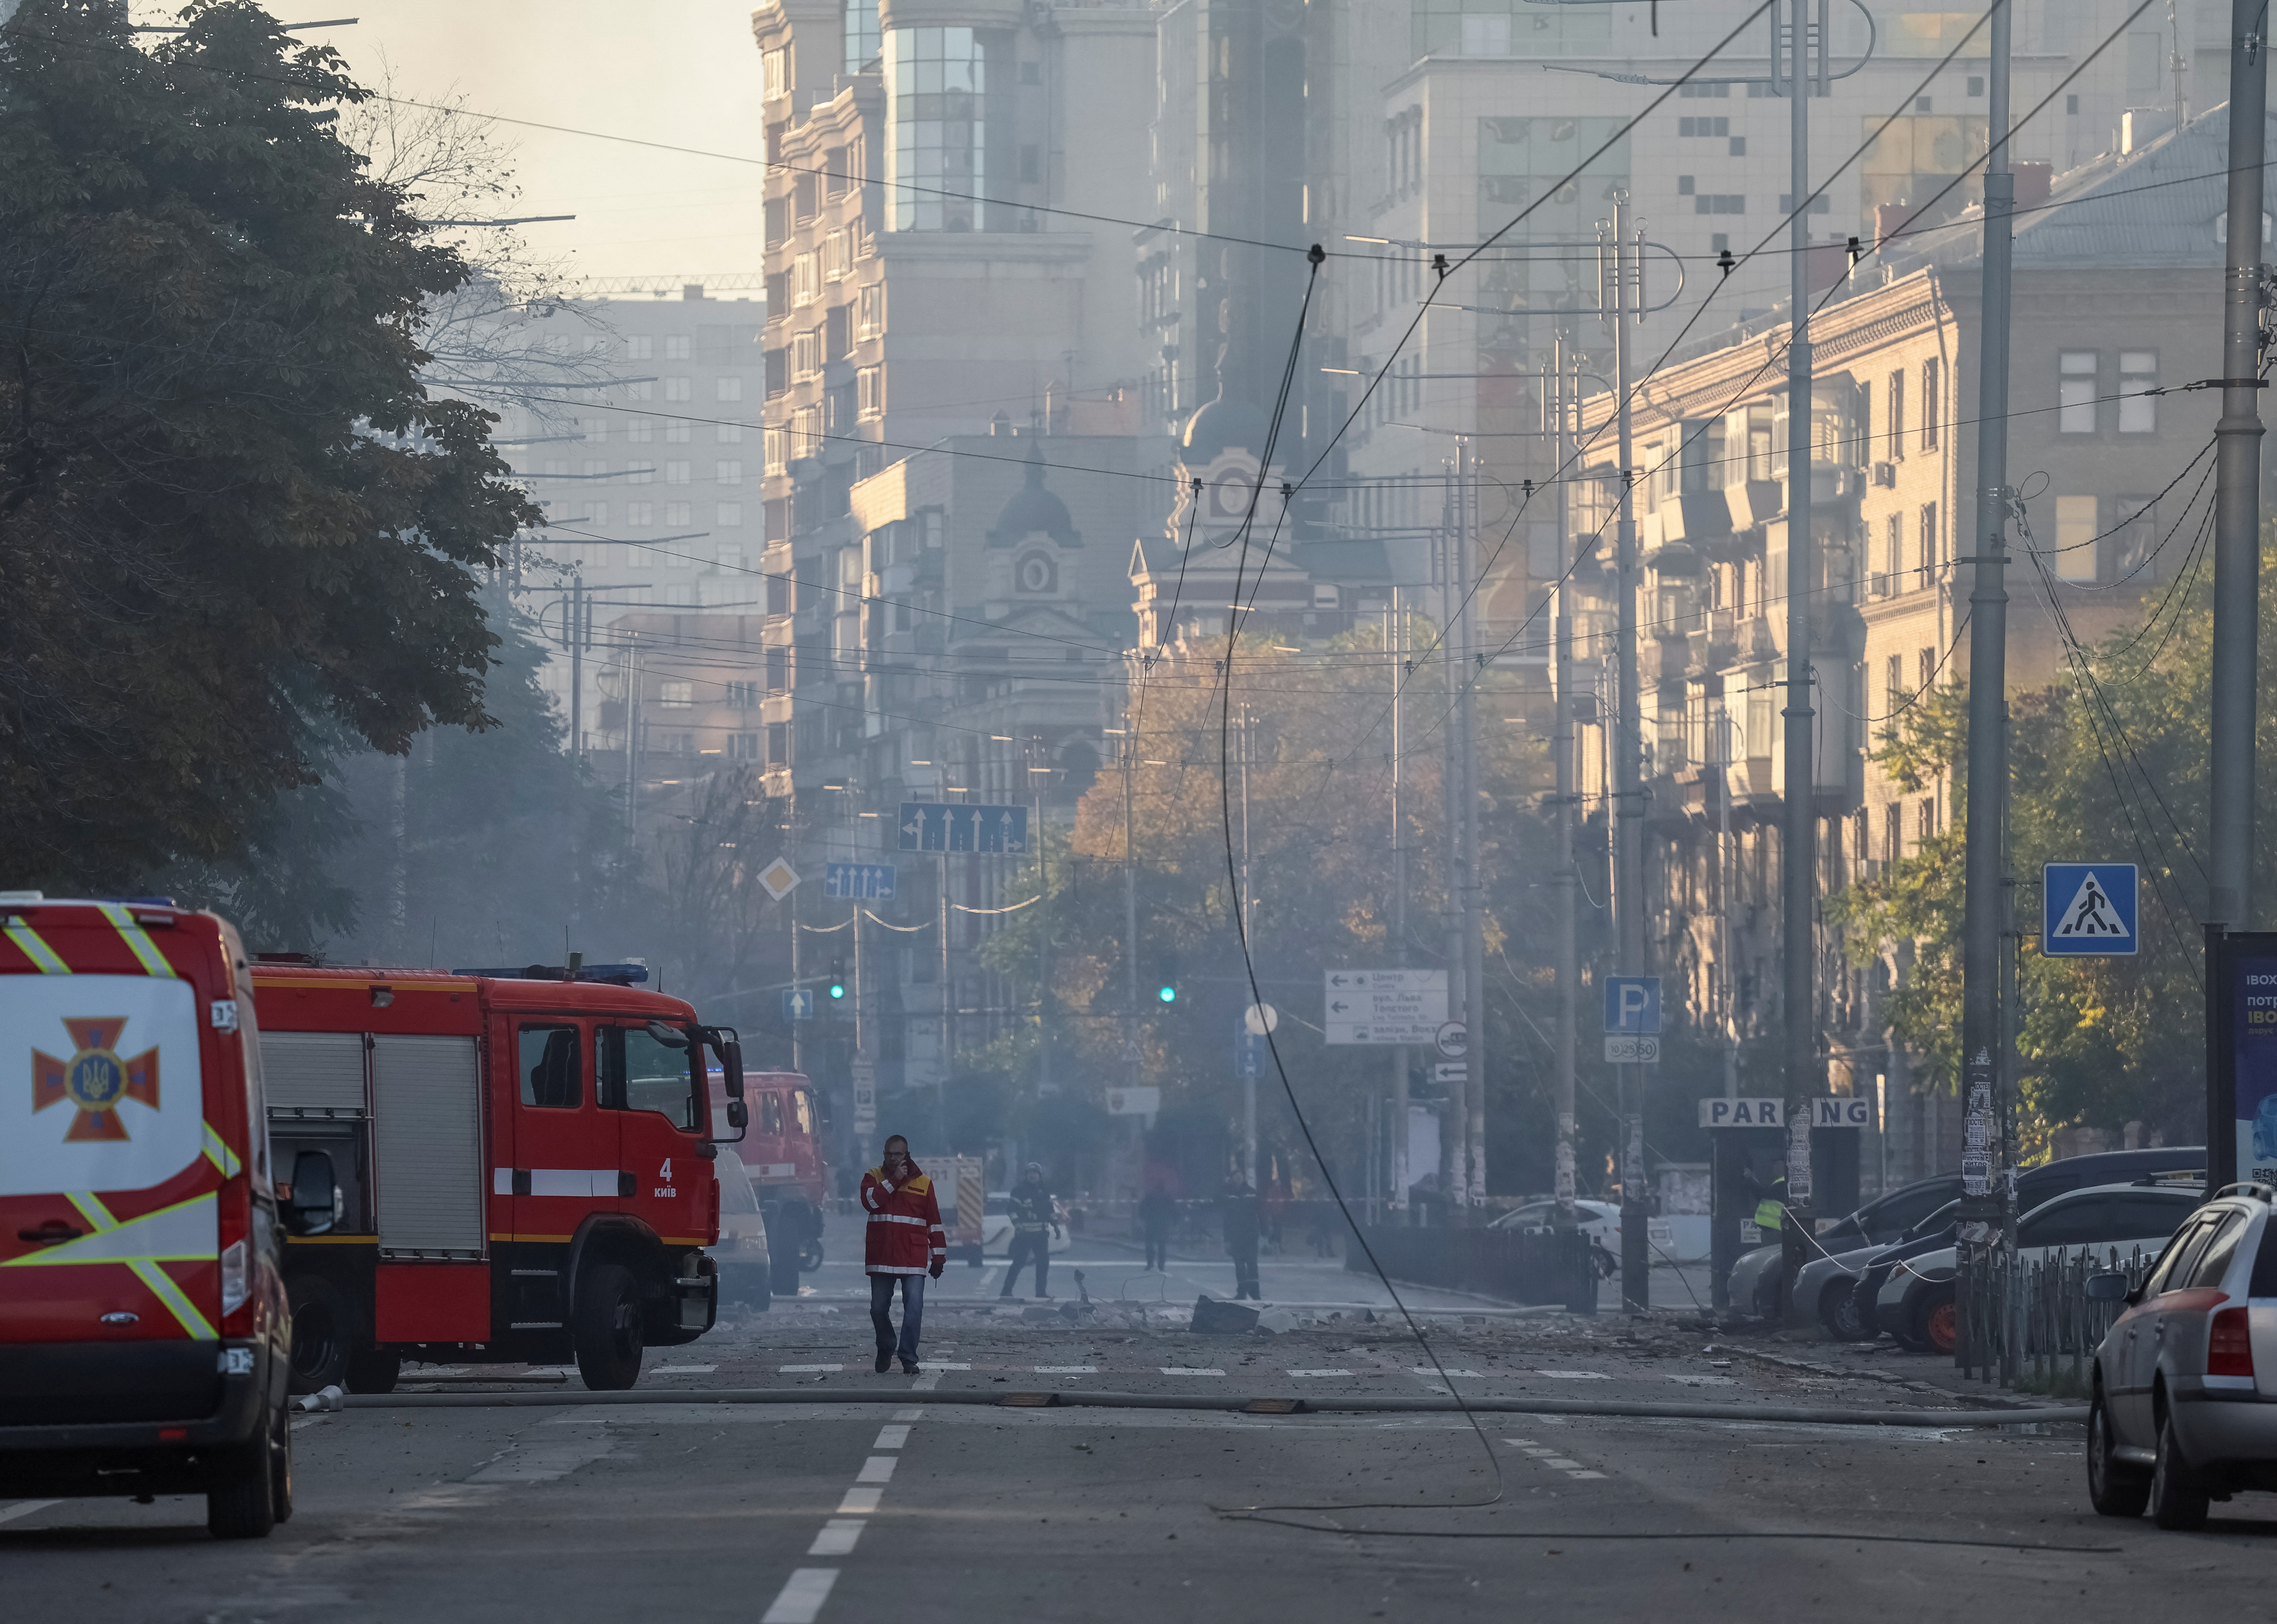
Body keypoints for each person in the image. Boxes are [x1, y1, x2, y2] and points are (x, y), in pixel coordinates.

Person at [860, 1135, 944, 1374]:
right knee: (878, 1309)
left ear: (907, 1155)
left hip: (912, 1256)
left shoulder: (924, 1183)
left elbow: (934, 1224)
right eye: (889, 1154)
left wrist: (938, 1258)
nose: (893, 1158)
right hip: (882, 1255)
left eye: (898, 1154)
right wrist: (894, 1181)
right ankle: (886, 1345)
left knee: (914, 1307)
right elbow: (869, 1203)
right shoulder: (873, 1177)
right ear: (884, 1154)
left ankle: (909, 1358)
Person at [999, 1162, 1060, 1299]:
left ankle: (1041, 1293)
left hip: (1041, 1235)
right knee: (1019, 1262)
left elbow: (1050, 1211)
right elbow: (1011, 1210)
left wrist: (1056, 1226)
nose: (1032, 1176)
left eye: (1035, 1173)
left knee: (1043, 1263)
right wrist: (1017, 1224)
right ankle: (1006, 1292)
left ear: (1040, 1176)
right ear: (1026, 1176)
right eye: (1030, 1173)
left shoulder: (1044, 1192)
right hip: (1024, 1235)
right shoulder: (1020, 1190)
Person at [1222, 1179, 1262, 1301]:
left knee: (1252, 1264)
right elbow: (1218, 1203)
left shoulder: (1252, 1193)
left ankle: (1255, 1292)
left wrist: (1262, 1230)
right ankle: (1242, 1292)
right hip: (1236, 1236)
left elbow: (1261, 1210)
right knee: (1239, 1265)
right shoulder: (1228, 1194)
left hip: (1250, 1235)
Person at [1137, 1183, 1176, 1271]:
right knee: (1162, 1246)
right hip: (1163, 1224)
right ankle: (1161, 1265)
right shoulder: (1168, 1197)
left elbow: (1142, 1208)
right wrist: (1174, 1221)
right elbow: (1174, 1209)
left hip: (1151, 1223)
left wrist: (1143, 1218)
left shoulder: (1150, 1196)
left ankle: (1150, 1263)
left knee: (1150, 1245)